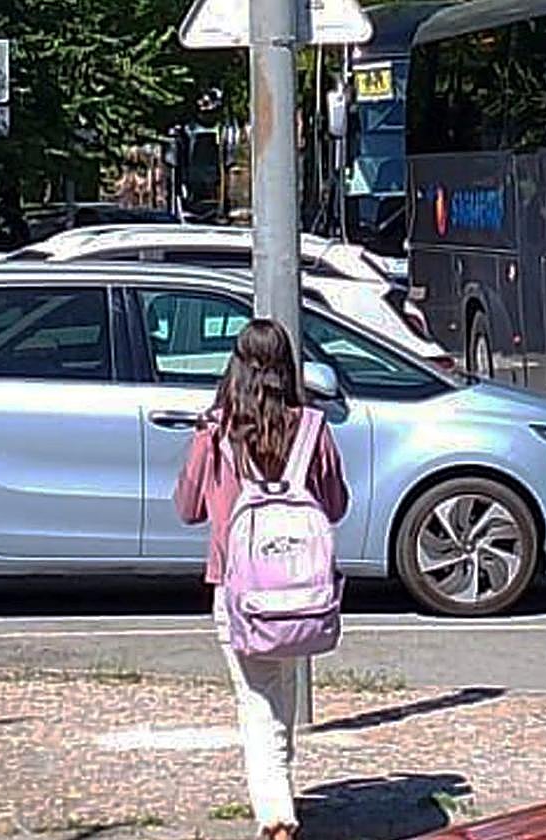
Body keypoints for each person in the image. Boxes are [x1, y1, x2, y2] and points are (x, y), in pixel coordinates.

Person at [174, 319, 349, 840]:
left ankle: (276, 817)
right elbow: (336, 505)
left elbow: (188, 509)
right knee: (281, 694)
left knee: (256, 702)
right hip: (302, 591)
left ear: (235, 366)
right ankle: (282, 794)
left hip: (238, 589)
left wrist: (202, 450)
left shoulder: (217, 434)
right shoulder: (313, 429)